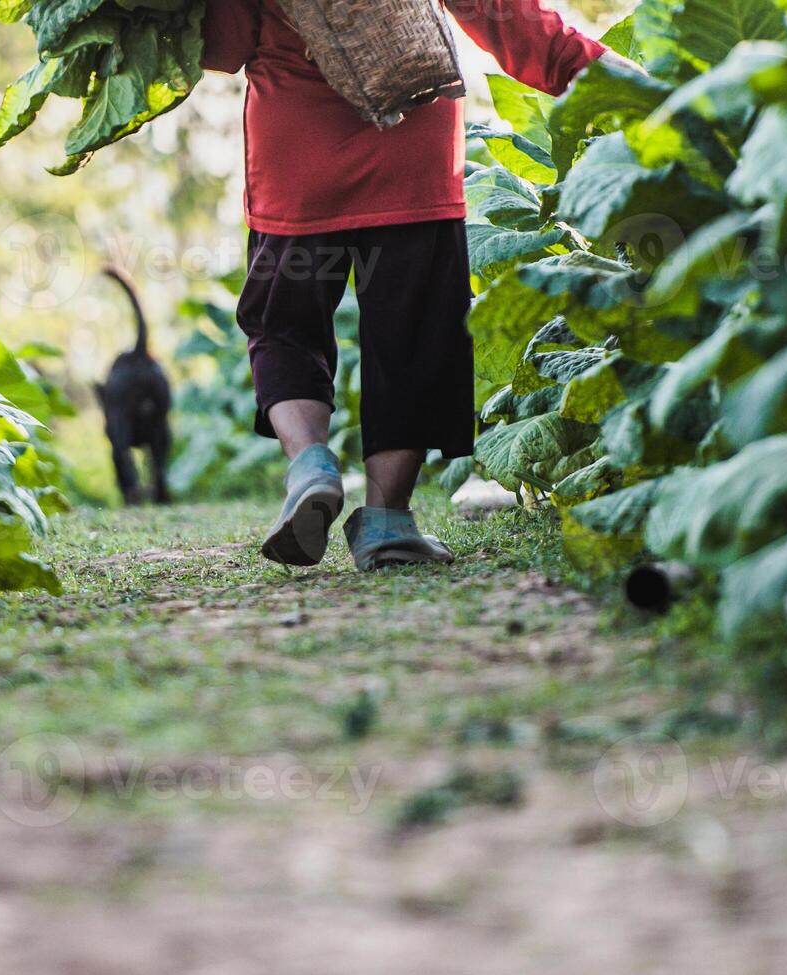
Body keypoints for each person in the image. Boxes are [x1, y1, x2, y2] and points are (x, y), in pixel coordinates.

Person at [199, 0, 630, 570]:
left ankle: (310, 465)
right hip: (414, 149)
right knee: (414, 341)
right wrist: (628, 89)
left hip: (297, 157)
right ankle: (386, 523)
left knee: (285, 325)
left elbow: (224, 48)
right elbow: (514, 23)